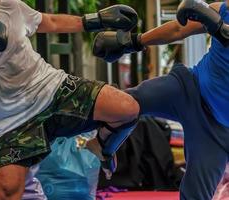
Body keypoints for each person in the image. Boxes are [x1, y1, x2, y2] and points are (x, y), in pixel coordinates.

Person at [0, 0, 141, 199]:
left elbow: (50, 22)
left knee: (127, 108)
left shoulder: (10, 6)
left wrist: (96, 20)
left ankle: (101, 147)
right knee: (7, 192)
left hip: (53, 90)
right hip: (12, 124)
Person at [93, 0, 229, 199]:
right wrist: (133, 42)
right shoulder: (223, 9)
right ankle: (104, 146)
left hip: (215, 130)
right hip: (188, 89)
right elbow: (177, 30)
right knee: (123, 103)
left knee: (195, 196)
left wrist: (219, 27)